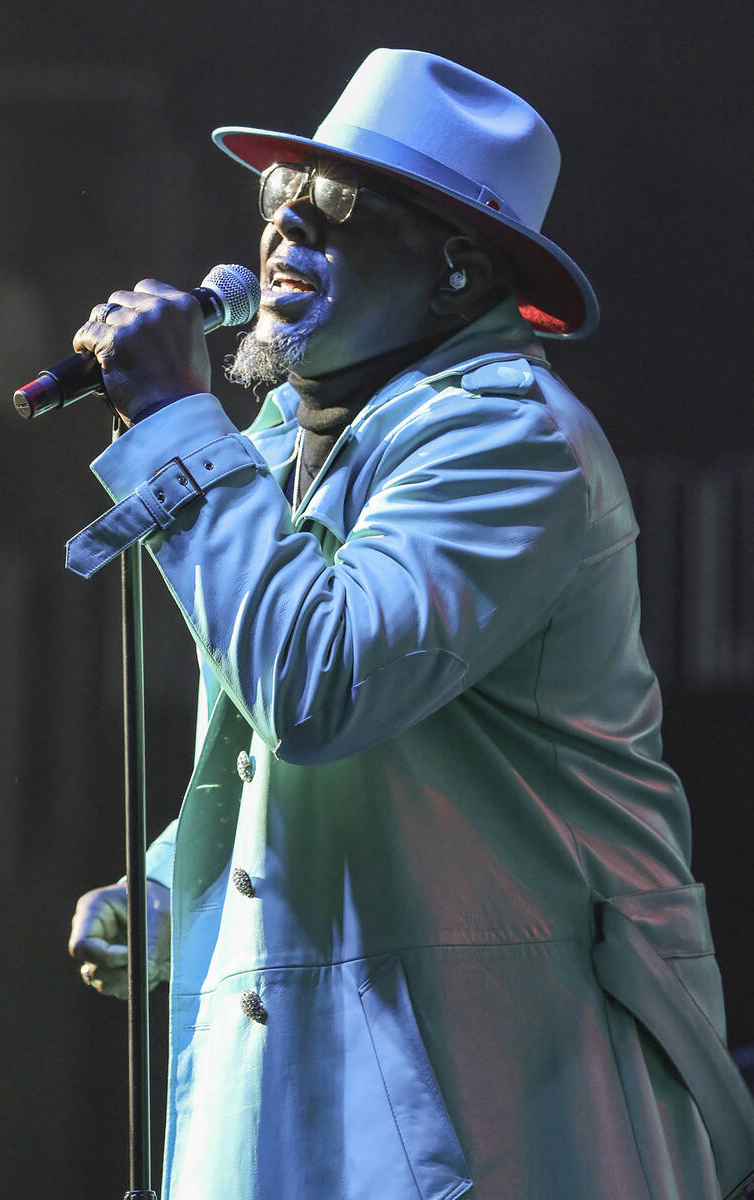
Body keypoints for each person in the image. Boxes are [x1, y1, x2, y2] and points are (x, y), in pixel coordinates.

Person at [66, 48, 754, 1200]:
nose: (284, 234)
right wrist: (169, 881)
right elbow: (292, 760)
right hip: (316, 1071)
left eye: (334, 215)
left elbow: (321, 686)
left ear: (453, 274)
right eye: (278, 202)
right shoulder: (282, 441)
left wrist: (179, 417)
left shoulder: (511, 442)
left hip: (495, 1078)